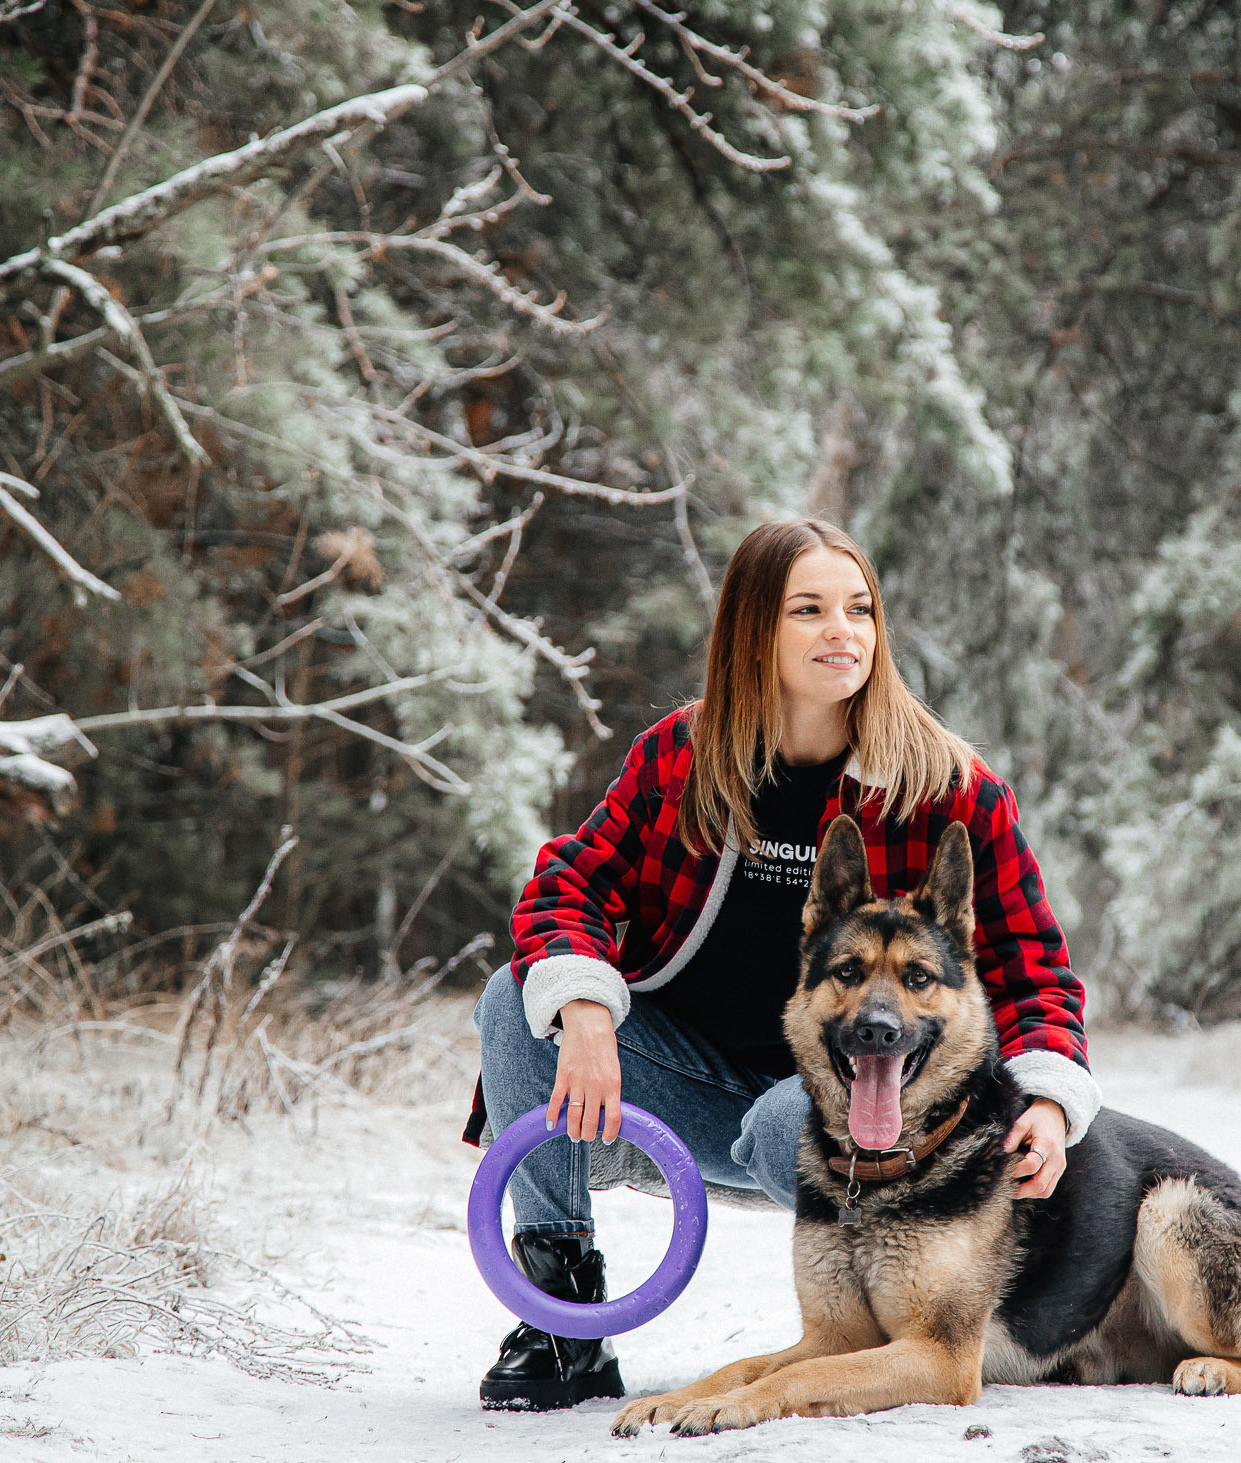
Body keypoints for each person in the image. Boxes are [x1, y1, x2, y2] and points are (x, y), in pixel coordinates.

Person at [467, 518, 1098, 1411]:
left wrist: (1046, 1097)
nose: (843, 631)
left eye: (861, 609)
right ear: (755, 631)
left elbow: (1033, 969)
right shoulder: (682, 759)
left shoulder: (949, 787)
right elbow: (569, 883)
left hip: (860, 1112)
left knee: (782, 1119)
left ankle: (890, 1311)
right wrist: (586, 1011)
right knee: (513, 1002)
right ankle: (562, 1316)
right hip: (687, 1087)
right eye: (809, 610)